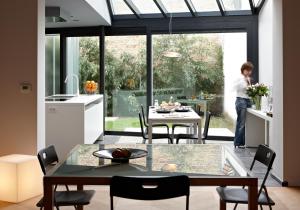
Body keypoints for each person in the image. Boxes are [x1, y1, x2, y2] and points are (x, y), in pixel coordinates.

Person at [233, 62, 253, 148]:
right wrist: (245, 83)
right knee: (241, 123)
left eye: (250, 70)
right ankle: (238, 143)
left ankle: (244, 142)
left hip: (247, 100)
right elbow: (236, 88)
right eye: (247, 70)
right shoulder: (240, 78)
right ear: (243, 70)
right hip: (241, 100)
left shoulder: (248, 78)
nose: (248, 72)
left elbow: (249, 90)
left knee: (246, 123)